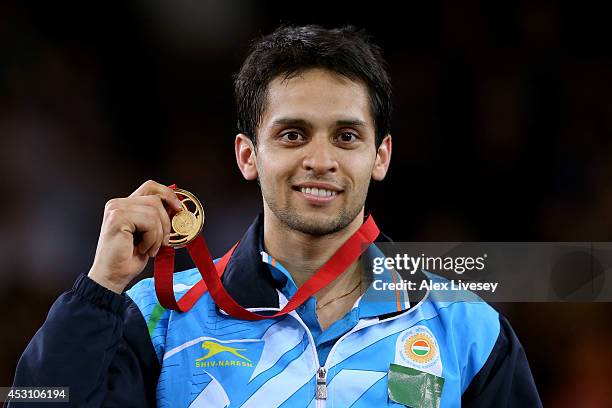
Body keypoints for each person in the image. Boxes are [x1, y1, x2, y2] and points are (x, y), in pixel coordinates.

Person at [12, 25, 542, 407]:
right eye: (292, 135)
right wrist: (100, 289)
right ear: (248, 155)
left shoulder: (466, 329)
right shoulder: (159, 316)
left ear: (380, 157)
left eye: (346, 136)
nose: (320, 160)